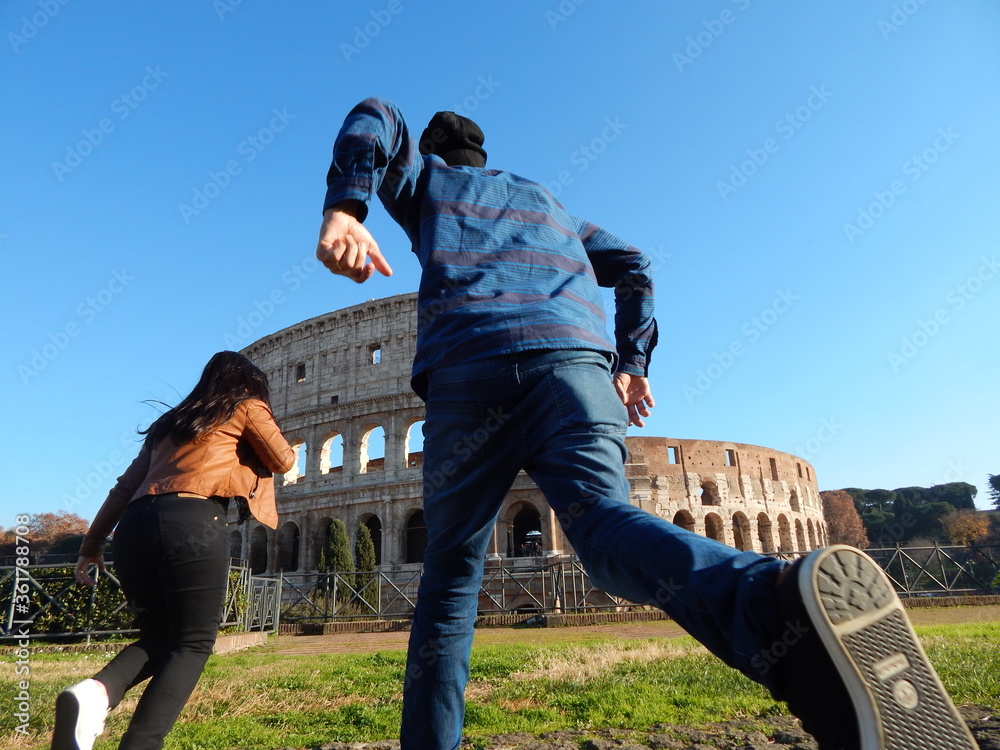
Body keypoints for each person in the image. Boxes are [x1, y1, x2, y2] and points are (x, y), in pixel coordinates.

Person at [315, 97, 979, 750]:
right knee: (604, 532)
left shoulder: (429, 180)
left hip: (469, 369)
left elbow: (378, 113)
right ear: (489, 156)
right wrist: (634, 363)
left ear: (434, 155)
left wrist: (346, 206)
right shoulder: (550, 207)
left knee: (453, 579)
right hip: (575, 370)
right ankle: (773, 606)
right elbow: (635, 264)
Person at [51, 351, 295, 750]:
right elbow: (282, 458)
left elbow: (122, 489)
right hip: (193, 519)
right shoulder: (247, 405)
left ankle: (91, 695)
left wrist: (91, 545)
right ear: (249, 383)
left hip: (133, 527)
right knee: (194, 643)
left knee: (160, 637)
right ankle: (142, 744)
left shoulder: (167, 426)